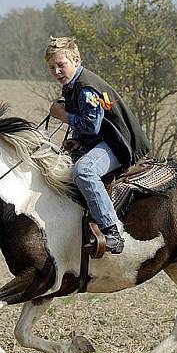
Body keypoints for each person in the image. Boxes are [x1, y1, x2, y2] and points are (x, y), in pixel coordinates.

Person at [45, 36, 152, 255]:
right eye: (52, 67)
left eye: (61, 65)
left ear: (76, 59)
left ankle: (111, 231)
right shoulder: (72, 85)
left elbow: (91, 126)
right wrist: (78, 141)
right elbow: (92, 128)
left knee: (84, 170)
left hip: (119, 145)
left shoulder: (86, 89)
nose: (57, 71)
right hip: (103, 140)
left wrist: (62, 115)